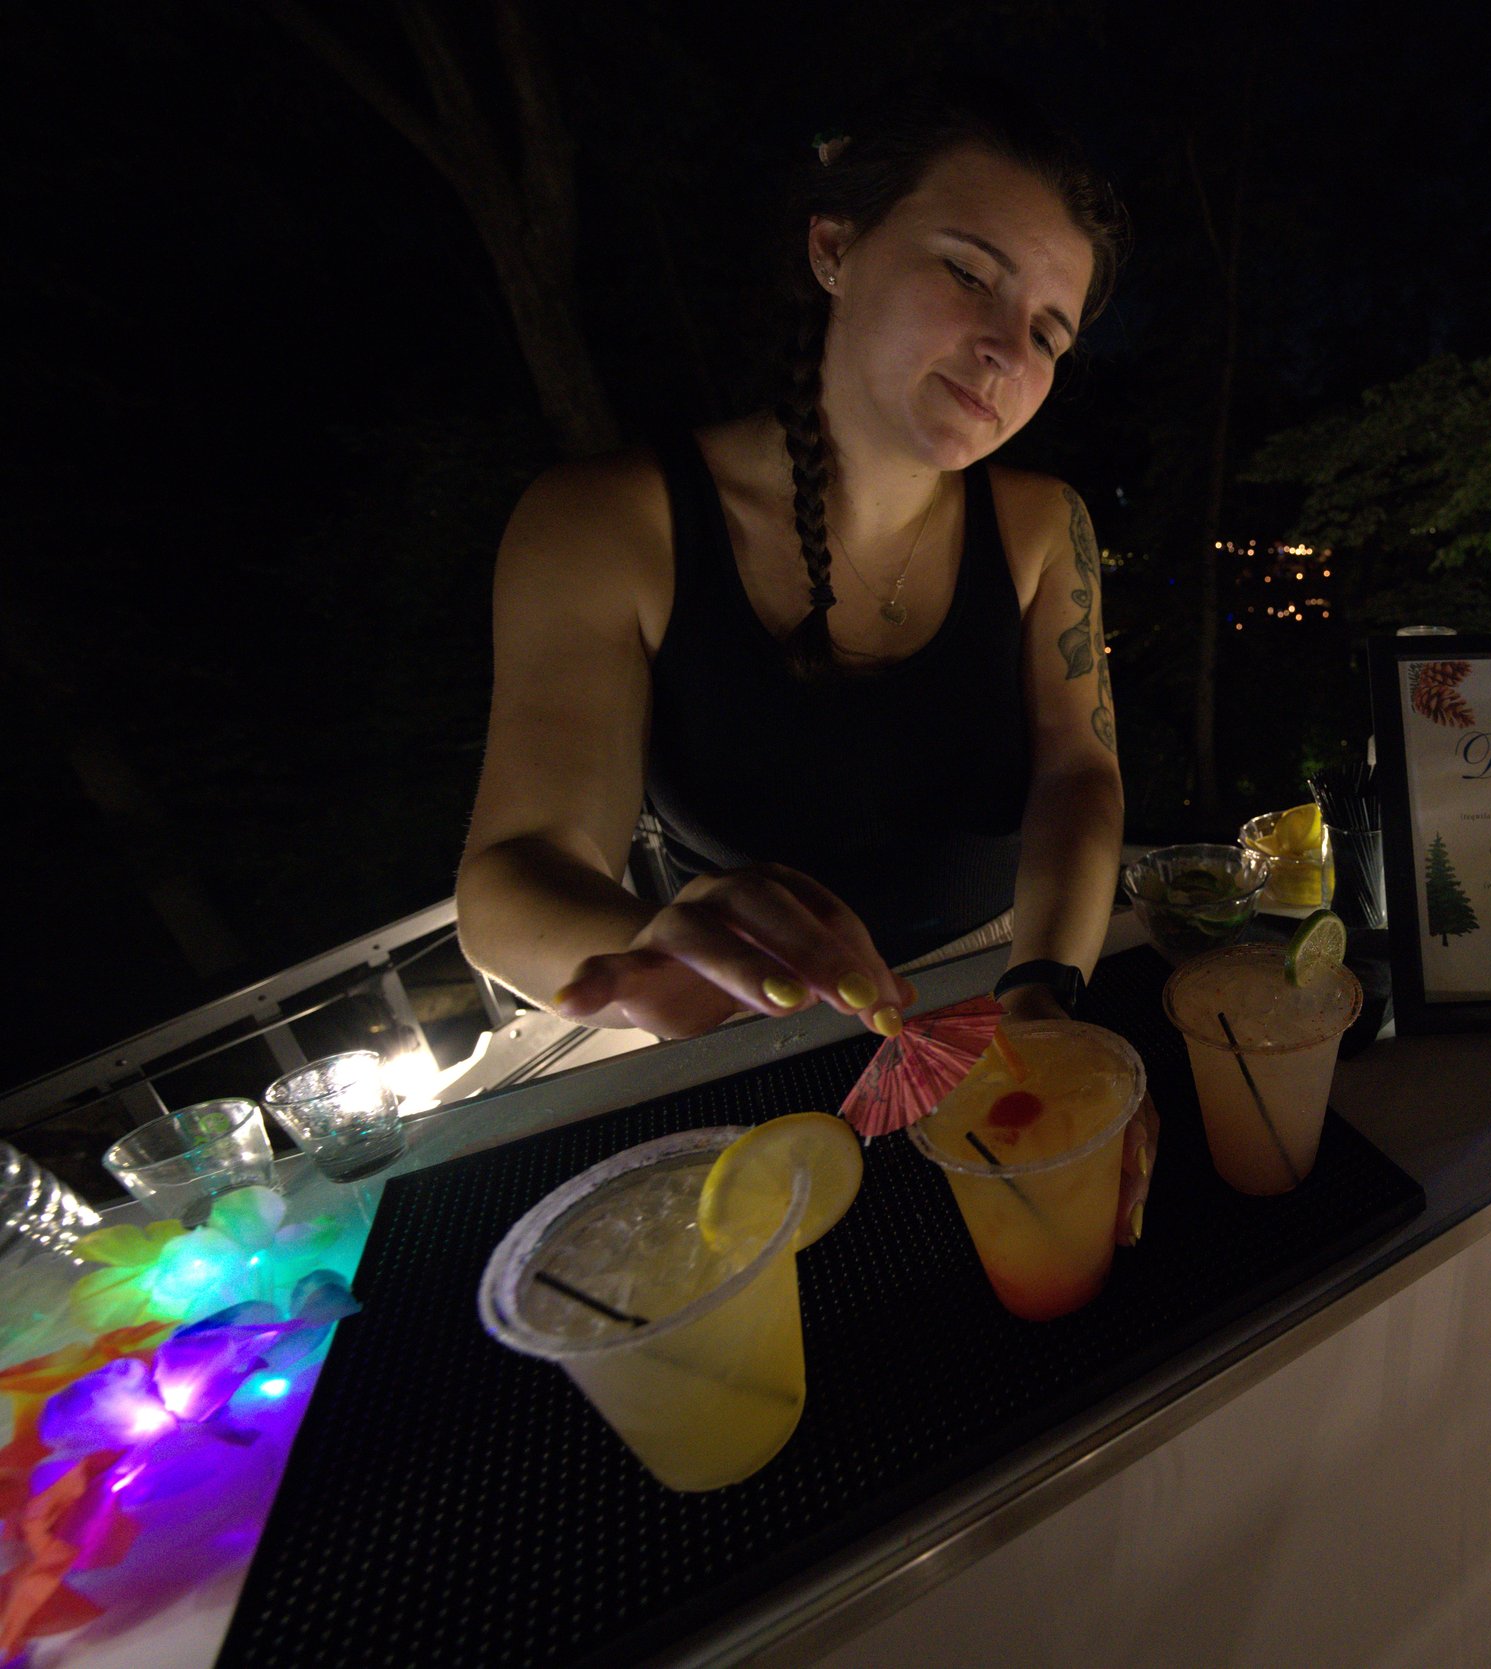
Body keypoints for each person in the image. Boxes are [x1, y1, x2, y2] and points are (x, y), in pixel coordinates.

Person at [454, 77, 1155, 1238]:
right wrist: (636, 943)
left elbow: (1079, 775)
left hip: (1014, 978)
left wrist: (1043, 997)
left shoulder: (1041, 525)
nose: (1001, 349)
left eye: (1046, 331)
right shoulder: (608, 526)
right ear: (835, 247)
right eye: (968, 271)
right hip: (745, 1024)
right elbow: (511, 873)